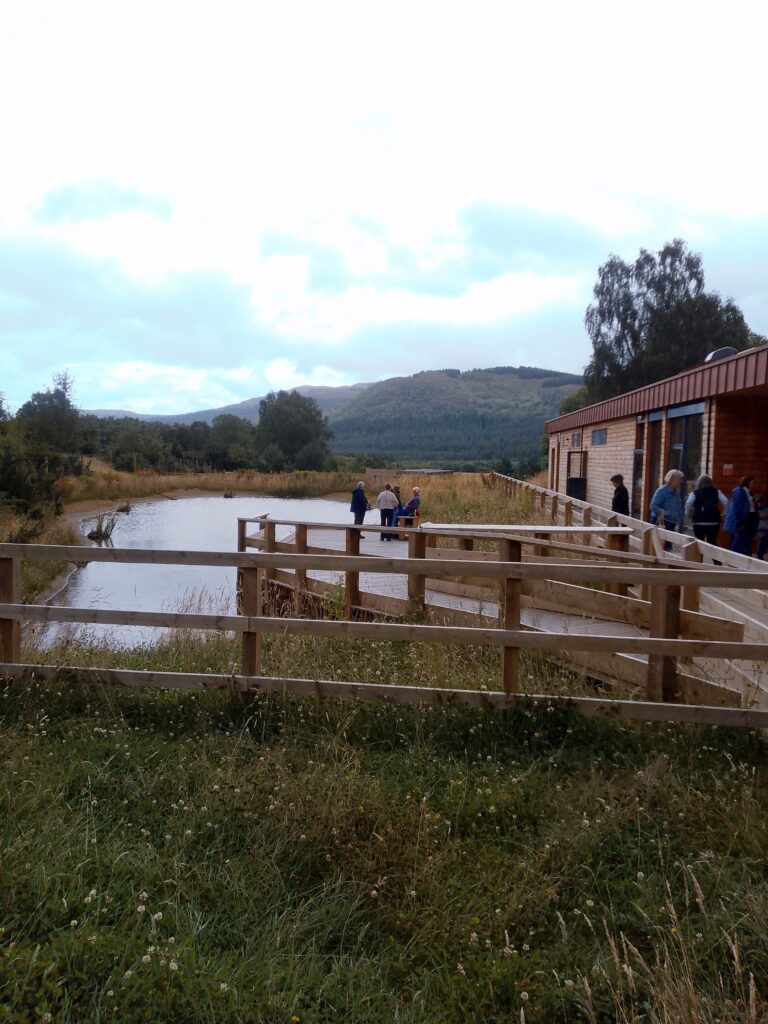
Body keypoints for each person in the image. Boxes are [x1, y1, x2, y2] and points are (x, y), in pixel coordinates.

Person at [684, 474, 728, 546]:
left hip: (698, 521)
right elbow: (726, 502)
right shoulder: (716, 491)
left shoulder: (695, 492)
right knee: (712, 543)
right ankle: (713, 557)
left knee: (699, 543)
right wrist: (724, 513)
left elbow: (689, 503)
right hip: (714, 522)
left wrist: (688, 513)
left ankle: (700, 557)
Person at [724, 475, 759, 556]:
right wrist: (740, 522)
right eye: (752, 483)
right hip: (742, 521)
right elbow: (738, 508)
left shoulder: (749, 492)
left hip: (749, 519)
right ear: (747, 483)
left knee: (745, 542)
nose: (753, 485)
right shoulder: (739, 492)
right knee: (739, 542)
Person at [649, 470, 684, 534]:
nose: (681, 482)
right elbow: (653, 506)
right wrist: (665, 512)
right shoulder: (662, 491)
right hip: (663, 523)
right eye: (679, 479)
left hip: (672, 523)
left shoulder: (676, 492)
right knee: (663, 544)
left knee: (668, 543)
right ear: (672, 479)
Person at [757, 495, 768, 561]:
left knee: (763, 542)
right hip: (761, 528)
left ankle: (760, 555)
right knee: (761, 542)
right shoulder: (760, 508)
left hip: (764, 528)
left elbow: (763, 516)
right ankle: (760, 556)